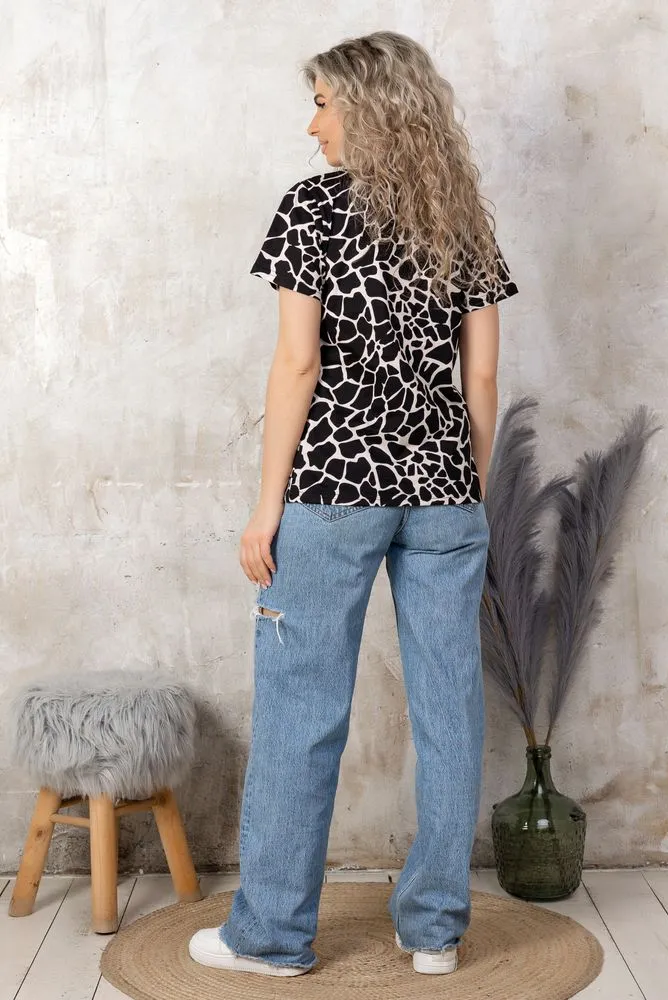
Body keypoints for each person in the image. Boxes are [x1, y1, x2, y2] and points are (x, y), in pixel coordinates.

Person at [189, 29, 519, 978]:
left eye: (324, 103)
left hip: (333, 489)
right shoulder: (463, 221)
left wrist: (266, 509)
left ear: (368, 107)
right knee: (450, 711)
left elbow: (298, 364)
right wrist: (467, 486)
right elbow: (481, 378)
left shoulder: (311, 209)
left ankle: (272, 936)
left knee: (302, 709)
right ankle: (435, 931)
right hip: (445, 492)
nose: (313, 125)